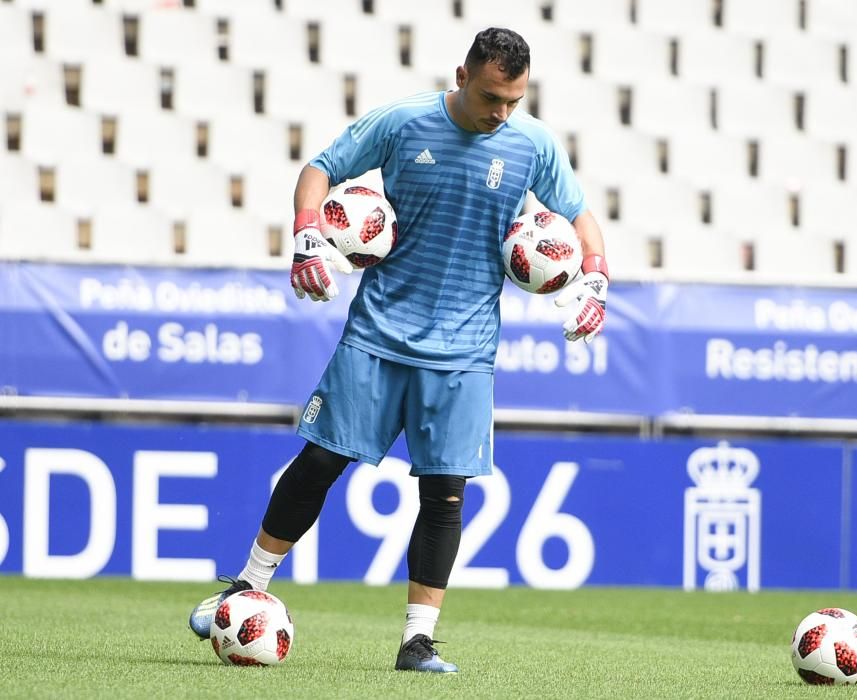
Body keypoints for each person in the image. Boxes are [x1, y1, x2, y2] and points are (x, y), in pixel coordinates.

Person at [188, 26, 609, 673]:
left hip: (465, 353)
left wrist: (596, 278)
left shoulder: (531, 145)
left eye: (514, 101)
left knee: (445, 493)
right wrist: (307, 235)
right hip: (378, 334)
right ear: (463, 76)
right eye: (493, 97)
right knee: (320, 462)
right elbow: (319, 170)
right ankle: (247, 588)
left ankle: (418, 641)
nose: (502, 113)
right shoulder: (403, 122)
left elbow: (581, 219)